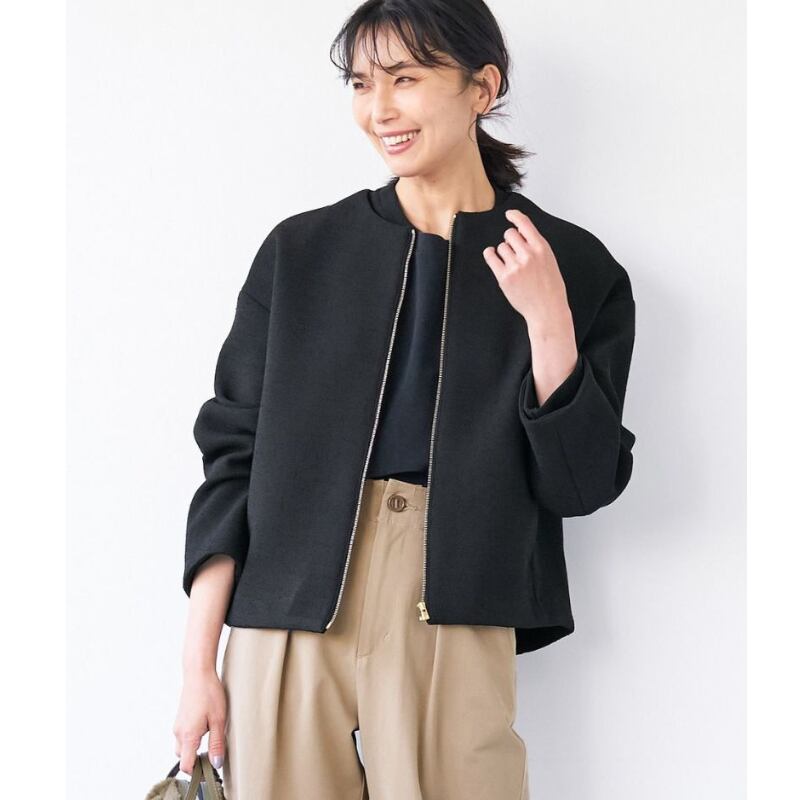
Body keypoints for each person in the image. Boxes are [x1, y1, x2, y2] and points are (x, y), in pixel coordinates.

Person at [173, 1, 637, 798]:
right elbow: (233, 464)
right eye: (361, 84)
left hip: (454, 611)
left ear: (482, 87)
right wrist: (197, 667)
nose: (379, 109)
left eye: (405, 79)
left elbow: (581, 485)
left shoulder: (573, 265)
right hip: (284, 612)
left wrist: (548, 324)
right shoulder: (301, 253)